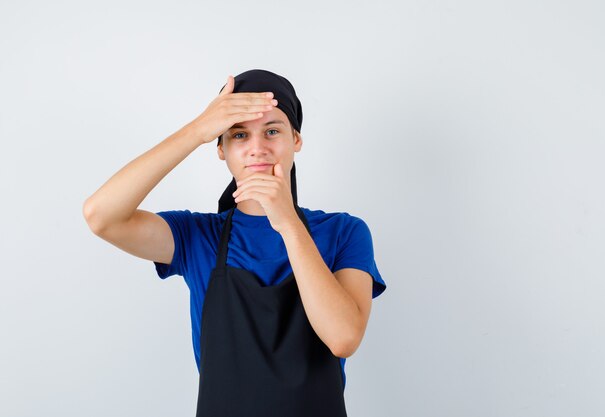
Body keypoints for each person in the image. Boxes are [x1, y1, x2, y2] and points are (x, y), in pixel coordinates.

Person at [83, 69, 386, 416]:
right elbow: (100, 216)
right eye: (239, 134)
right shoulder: (197, 236)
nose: (257, 148)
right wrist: (196, 130)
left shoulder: (343, 232)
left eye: (272, 131)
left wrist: (287, 221)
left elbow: (344, 338)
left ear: (296, 141)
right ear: (221, 149)